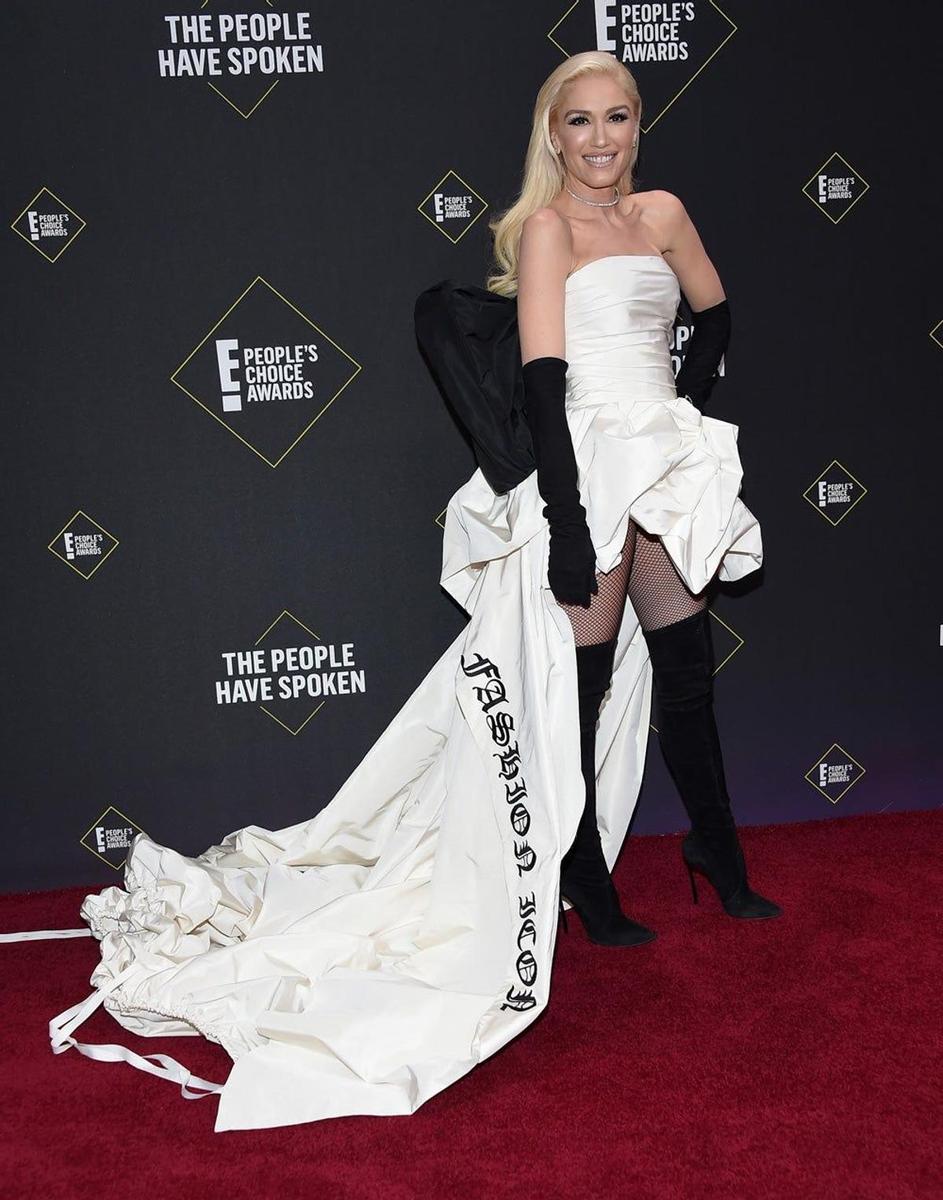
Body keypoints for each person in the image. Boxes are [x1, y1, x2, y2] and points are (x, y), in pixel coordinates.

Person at [2, 51, 780, 1133]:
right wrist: (562, 516)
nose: (600, 138)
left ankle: (716, 855)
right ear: (550, 137)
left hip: (663, 457)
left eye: (617, 117)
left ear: (639, 123)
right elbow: (545, 386)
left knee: (689, 667)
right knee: (581, 693)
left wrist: (682, 407)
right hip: (587, 469)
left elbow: (717, 313)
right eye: (578, 123)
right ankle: (586, 885)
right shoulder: (548, 230)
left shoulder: (663, 213)